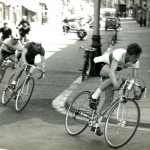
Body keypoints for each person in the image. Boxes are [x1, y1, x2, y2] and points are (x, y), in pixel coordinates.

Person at [89, 43, 142, 135]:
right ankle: (94, 96)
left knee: (109, 99)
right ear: (128, 55)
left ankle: (95, 124)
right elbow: (112, 72)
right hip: (100, 64)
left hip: (109, 71)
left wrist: (136, 91)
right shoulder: (119, 53)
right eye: (135, 57)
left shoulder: (135, 61)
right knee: (116, 76)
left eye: (138, 57)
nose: (136, 59)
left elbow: (135, 78)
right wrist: (116, 84)